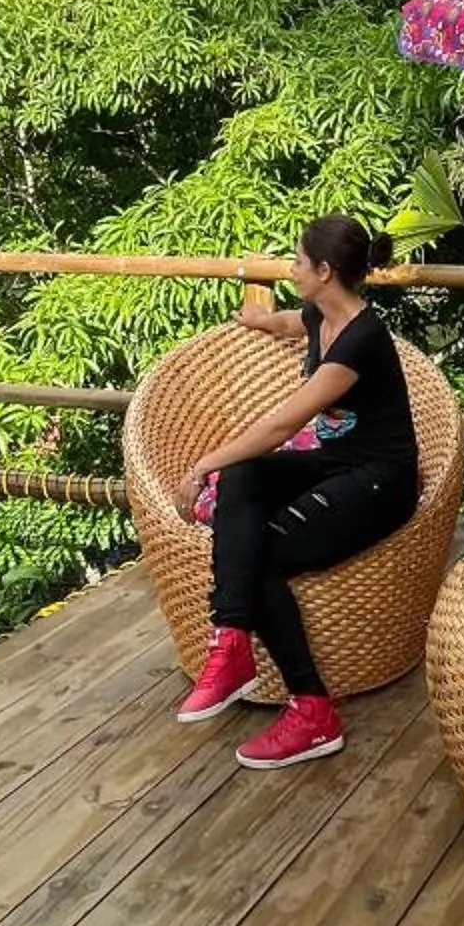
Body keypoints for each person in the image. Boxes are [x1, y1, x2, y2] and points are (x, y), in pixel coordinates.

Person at [176, 214, 420, 768]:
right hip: (335, 464)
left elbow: (280, 427)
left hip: (381, 482)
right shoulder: (320, 314)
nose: (289, 268)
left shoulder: (362, 339)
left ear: (325, 270)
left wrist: (201, 468)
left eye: (296, 261)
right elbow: (294, 323)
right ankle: (232, 641)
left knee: (255, 546)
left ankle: (313, 710)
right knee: (245, 476)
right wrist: (261, 321)